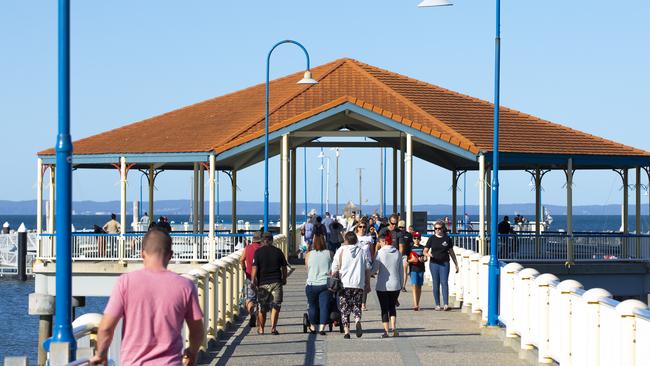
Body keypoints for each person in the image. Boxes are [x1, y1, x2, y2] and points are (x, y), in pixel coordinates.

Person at [90, 228, 204, 366]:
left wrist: (101, 354)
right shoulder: (185, 286)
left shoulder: (125, 282)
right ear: (170, 255)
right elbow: (197, 331)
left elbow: (106, 327)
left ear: (142, 253)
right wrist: (191, 353)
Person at [331, 231, 371, 339]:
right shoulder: (362, 251)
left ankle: (347, 332)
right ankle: (357, 320)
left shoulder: (341, 250)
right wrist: (367, 284)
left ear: (346, 240)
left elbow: (334, 267)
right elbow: (367, 269)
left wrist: (332, 275)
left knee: (345, 308)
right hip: (358, 284)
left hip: (344, 284)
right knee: (357, 305)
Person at [251, 232, 288, 335]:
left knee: (262, 307)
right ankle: (273, 328)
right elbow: (284, 267)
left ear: (262, 241)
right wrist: (284, 278)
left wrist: (253, 280)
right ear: (272, 240)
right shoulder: (278, 251)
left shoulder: (258, 252)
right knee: (276, 305)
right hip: (276, 281)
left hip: (263, 283)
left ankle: (261, 329)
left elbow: (255, 267)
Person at [372, 232, 404, 338]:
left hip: (383, 285)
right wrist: (401, 284)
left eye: (380, 242)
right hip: (396, 285)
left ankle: (386, 331)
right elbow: (401, 271)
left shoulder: (380, 253)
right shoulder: (398, 253)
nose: (379, 244)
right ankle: (394, 329)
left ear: (385, 241)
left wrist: (368, 273)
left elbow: (375, 269)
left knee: (384, 308)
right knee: (392, 307)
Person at [423, 221, 459, 311]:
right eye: (436, 228)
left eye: (439, 228)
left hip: (445, 263)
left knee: (444, 283)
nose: (437, 230)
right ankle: (437, 304)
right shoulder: (431, 238)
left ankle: (446, 304)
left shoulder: (447, 239)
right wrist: (428, 255)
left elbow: (451, 252)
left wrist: (456, 264)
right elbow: (425, 251)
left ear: (443, 229)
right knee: (436, 283)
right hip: (434, 263)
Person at [305, 234, 332, 335]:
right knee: (324, 306)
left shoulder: (308, 254)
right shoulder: (330, 253)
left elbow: (307, 269)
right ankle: (322, 328)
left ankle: (312, 326)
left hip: (312, 284)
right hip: (325, 284)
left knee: (312, 306)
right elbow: (333, 268)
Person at [240, 231, 263, 328]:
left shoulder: (247, 248)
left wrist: (245, 269)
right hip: (262, 277)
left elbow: (241, 259)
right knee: (261, 299)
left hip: (250, 276)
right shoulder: (263, 249)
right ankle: (259, 317)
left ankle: (252, 314)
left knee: (249, 298)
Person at [355, 222, 374, 311]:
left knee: (366, 284)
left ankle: (363, 303)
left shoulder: (369, 238)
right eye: (360, 226)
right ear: (357, 228)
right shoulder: (354, 237)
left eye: (364, 227)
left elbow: (371, 251)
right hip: (357, 263)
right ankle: (357, 302)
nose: (362, 228)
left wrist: (373, 261)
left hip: (367, 263)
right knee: (358, 283)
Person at [407, 232, 426, 310]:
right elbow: (407, 259)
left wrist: (423, 259)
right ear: (413, 239)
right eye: (415, 238)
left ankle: (418, 303)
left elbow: (426, 257)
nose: (416, 240)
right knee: (414, 285)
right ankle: (415, 304)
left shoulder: (423, 247)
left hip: (421, 268)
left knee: (419, 286)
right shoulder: (410, 248)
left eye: (418, 238)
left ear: (420, 239)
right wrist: (411, 260)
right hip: (413, 269)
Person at [397, 220, 413, 292]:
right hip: (396, 255)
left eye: (402, 227)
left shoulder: (409, 235)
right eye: (399, 227)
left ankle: (403, 286)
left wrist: (410, 255)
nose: (401, 229)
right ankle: (397, 285)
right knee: (396, 270)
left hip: (405, 255)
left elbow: (411, 245)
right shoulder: (395, 234)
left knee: (404, 270)